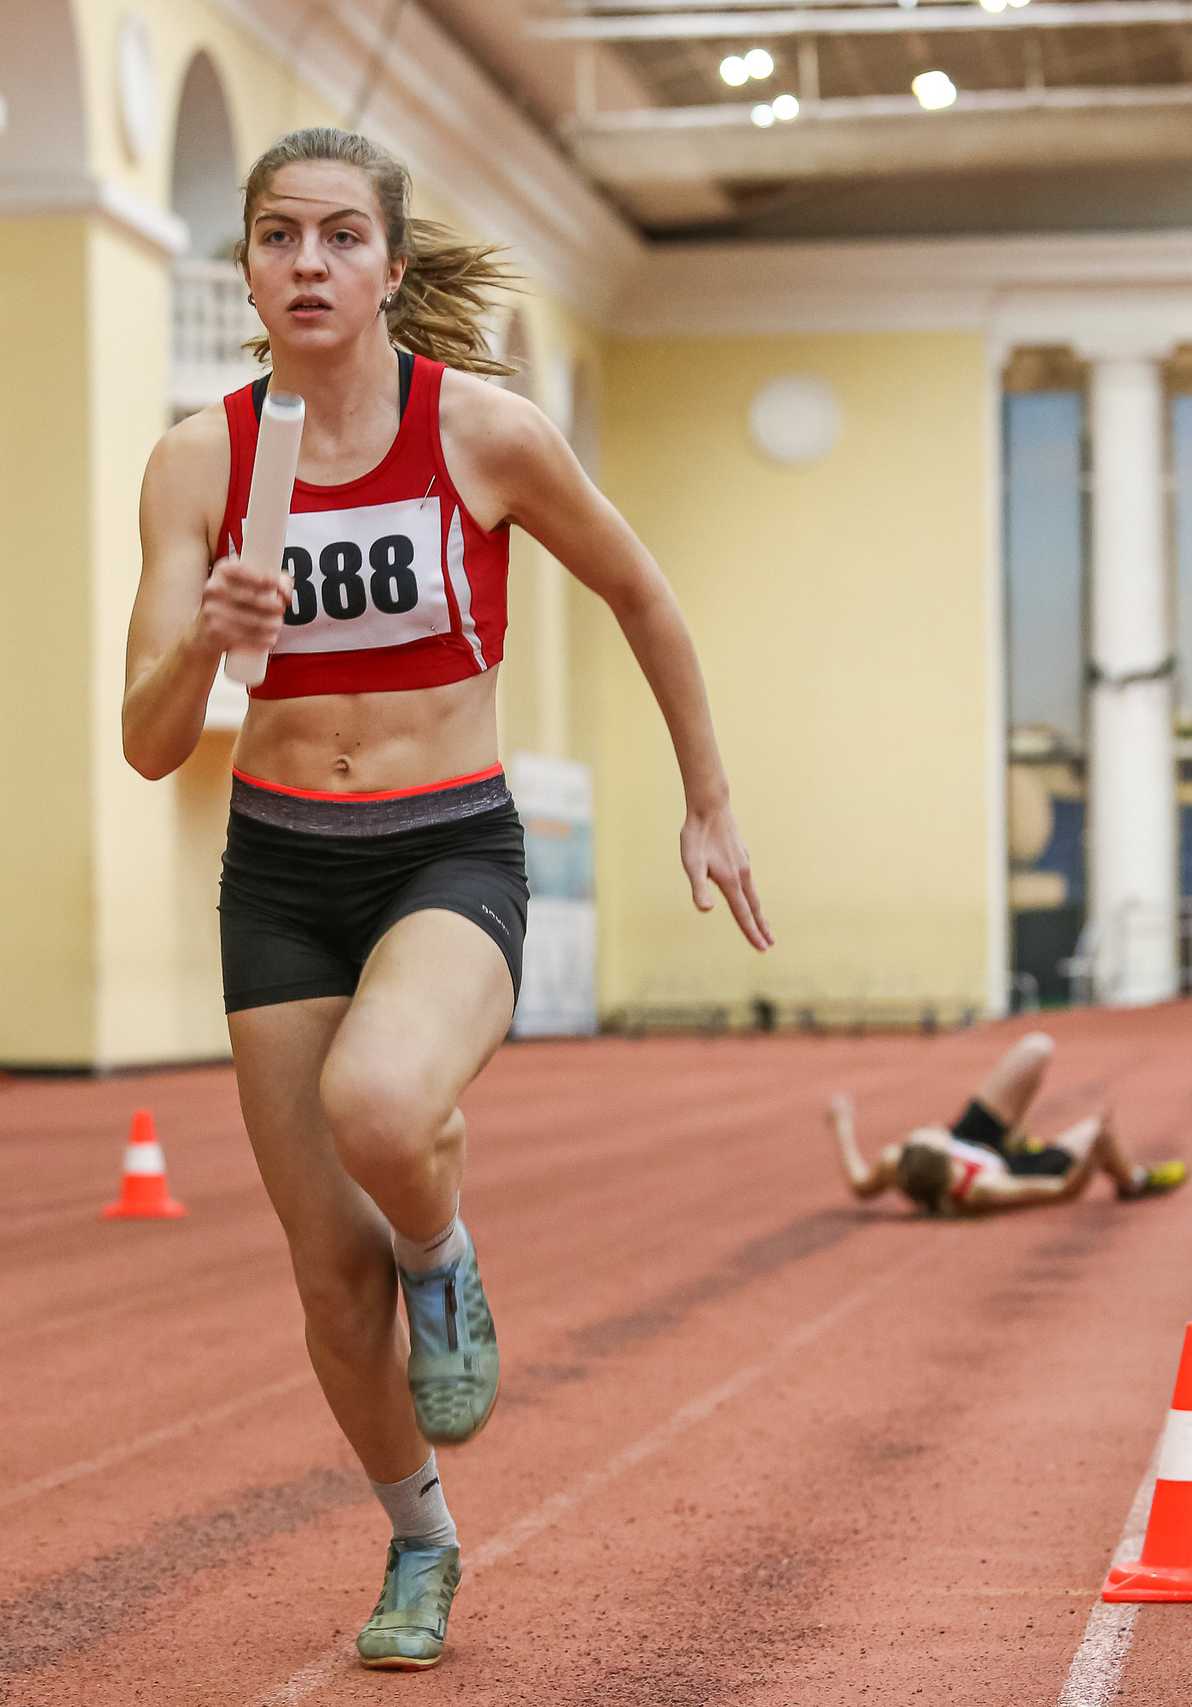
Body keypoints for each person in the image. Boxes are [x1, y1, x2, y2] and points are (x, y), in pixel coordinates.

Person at [121, 128, 771, 1672]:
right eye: (278, 237)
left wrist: (709, 797)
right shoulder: (200, 460)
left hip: (444, 847)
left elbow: (640, 588)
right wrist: (207, 636)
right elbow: (148, 745)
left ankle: (446, 1253)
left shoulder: (478, 432)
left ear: (391, 270)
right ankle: (420, 1538)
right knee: (329, 1290)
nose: (309, 264)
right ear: (250, 273)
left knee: (386, 1100)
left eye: (342, 236)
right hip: (280, 863)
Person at [825, 1032, 1186, 1216]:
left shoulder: (897, 1164)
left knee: (1037, 1047)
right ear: (949, 1161)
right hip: (1012, 1166)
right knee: (1095, 1132)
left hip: (975, 1139)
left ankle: (1013, 1133)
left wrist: (841, 1124)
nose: (933, 1125)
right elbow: (1062, 1190)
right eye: (933, 1134)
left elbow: (860, 1186)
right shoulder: (984, 1189)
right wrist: (1093, 1158)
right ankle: (1132, 1182)